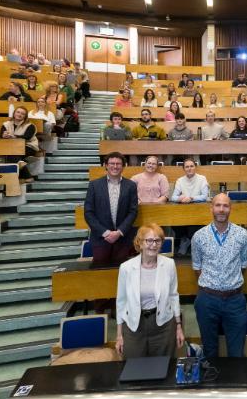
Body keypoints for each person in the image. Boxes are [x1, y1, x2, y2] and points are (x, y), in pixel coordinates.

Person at [191, 193, 247, 358]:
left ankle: (235, 383)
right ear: (211, 208)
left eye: (225, 206)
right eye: (218, 205)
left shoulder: (242, 235)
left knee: (237, 351)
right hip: (207, 300)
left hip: (235, 300)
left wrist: (227, 283)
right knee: (209, 350)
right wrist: (214, 285)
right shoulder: (199, 236)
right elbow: (197, 268)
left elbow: (243, 265)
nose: (221, 209)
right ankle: (212, 383)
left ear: (230, 209)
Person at [115, 223, 183, 358]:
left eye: (158, 240)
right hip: (134, 325)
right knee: (133, 369)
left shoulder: (169, 264)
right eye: (149, 240)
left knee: (163, 368)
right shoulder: (126, 268)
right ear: (139, 243)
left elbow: (173, 296)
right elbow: (121, 302)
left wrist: (179, 326)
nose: (153, 244)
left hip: (163, 325)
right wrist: (119, 335)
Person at [85, 152, 139, 312]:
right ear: (106, 166)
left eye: (118, 164)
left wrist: (120, 232)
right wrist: (105, 233)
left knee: (121, 275)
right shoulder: (94, 185)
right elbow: (88, 212)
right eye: (112, 163)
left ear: (123, 166)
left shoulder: (131, 185)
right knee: (100, 275)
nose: (115, 166)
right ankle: (100, 309)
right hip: (101, 239)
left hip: (122, 239)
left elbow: (133, 212)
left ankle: (119, 309)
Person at [171, 158, 210, 255]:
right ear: (184, 169)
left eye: (191, 166)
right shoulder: (180, 180)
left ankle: (189, 244)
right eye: (187, 167)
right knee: (174, 223)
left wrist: (191, 198)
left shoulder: (202, 178)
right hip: (184, 211)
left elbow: (204, 196)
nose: (189, 168)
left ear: (195, 167)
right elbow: (173, 197)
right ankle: (185, 241)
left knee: (193, 227)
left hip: (198, 211)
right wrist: (180, 198)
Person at [0, 106, 38, 182]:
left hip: (28, 146)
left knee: (11, 153)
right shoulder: (6, 124)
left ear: (25, 116)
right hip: (11, 147)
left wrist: (13, 136)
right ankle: (26, 175)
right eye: (18, 112)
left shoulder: (30, 125)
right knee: (11, 153)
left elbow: (26, 138)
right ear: (14, 113)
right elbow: (1, 136)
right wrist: (3, 136)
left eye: (22, 114)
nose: (19, 114)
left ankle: (22, 177)